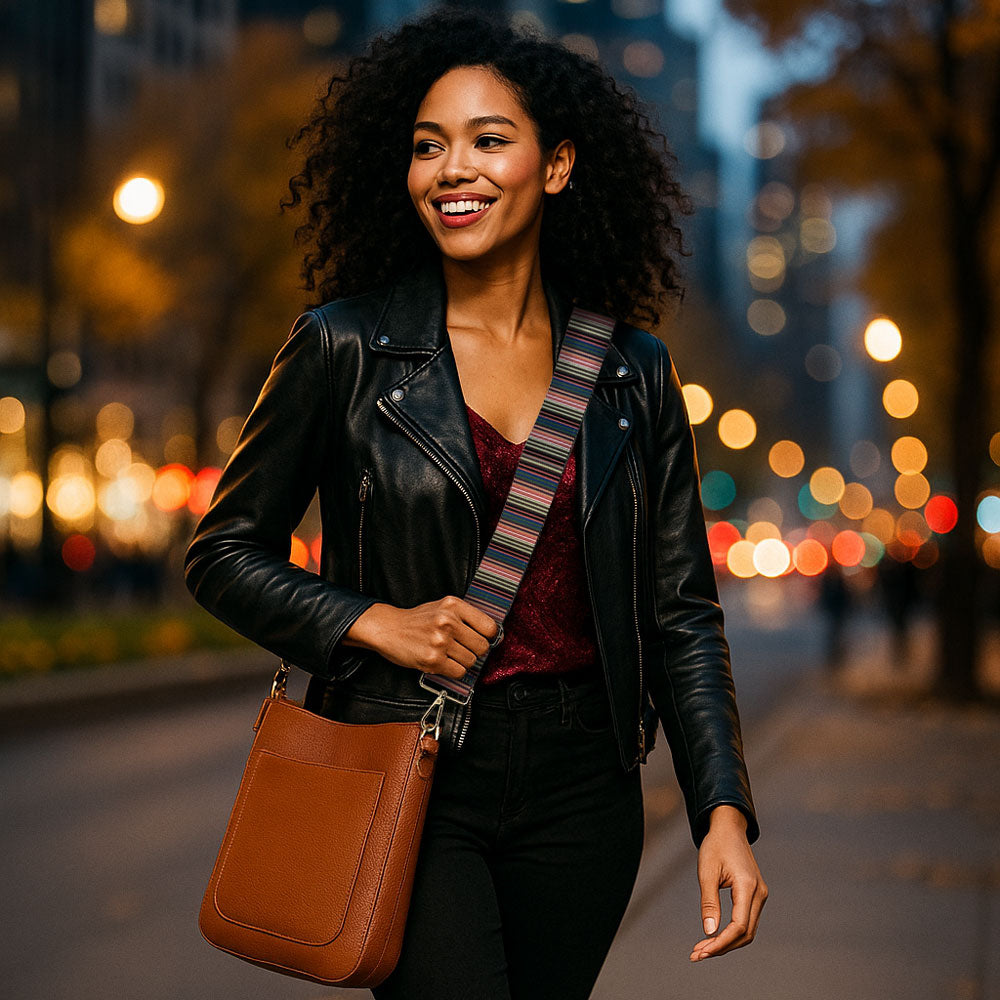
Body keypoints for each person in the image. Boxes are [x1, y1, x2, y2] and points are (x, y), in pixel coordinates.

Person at [184, 8, 766, 998]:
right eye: (427, 146)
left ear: (557, 166)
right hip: (408, 765)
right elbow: (224, 552)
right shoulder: (342, 348)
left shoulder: (633, 374)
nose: (451, 168)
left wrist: (721, 810)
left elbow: (681, 617)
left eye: (488, 141)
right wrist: (375, 622)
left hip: (586, 790)